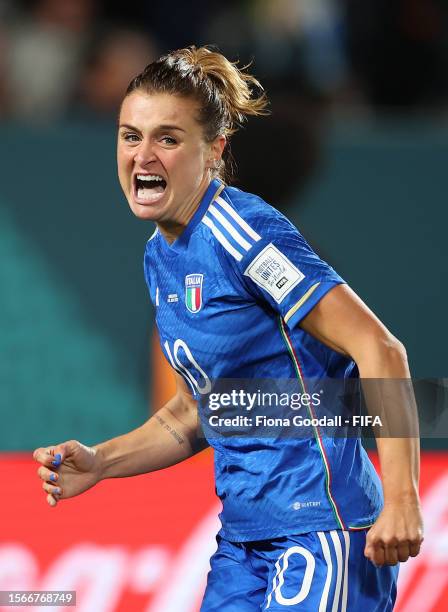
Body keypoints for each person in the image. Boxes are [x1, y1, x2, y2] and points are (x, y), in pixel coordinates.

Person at [33, 46, 423, 611]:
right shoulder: (160, 256)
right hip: (243, 543)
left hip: (319, 530)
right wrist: (102, 463)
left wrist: (403, 498)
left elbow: (380, 348)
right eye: (129, 135)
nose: (143, 155)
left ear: (214, 149)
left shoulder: (244, 233)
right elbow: (195, 410)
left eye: (167, 138)